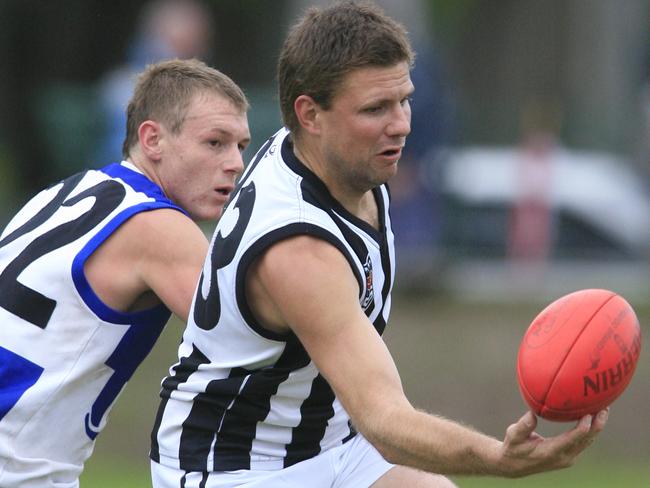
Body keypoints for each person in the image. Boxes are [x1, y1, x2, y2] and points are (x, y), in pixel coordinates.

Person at [149, 3, 607, 487]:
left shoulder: (341, 157)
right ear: (310, 114)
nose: (401, 124)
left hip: (329, 442)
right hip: (235, 467)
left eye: (403, 100)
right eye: (375, 109)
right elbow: (385, 421)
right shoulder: (299, 250)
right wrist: (497, 457)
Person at [0, 58, 250, 488]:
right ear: (152, 138)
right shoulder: (160, 227)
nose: (235, 163)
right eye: (215, 143)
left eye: (241, 146)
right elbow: (254, 340)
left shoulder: (60, 193)